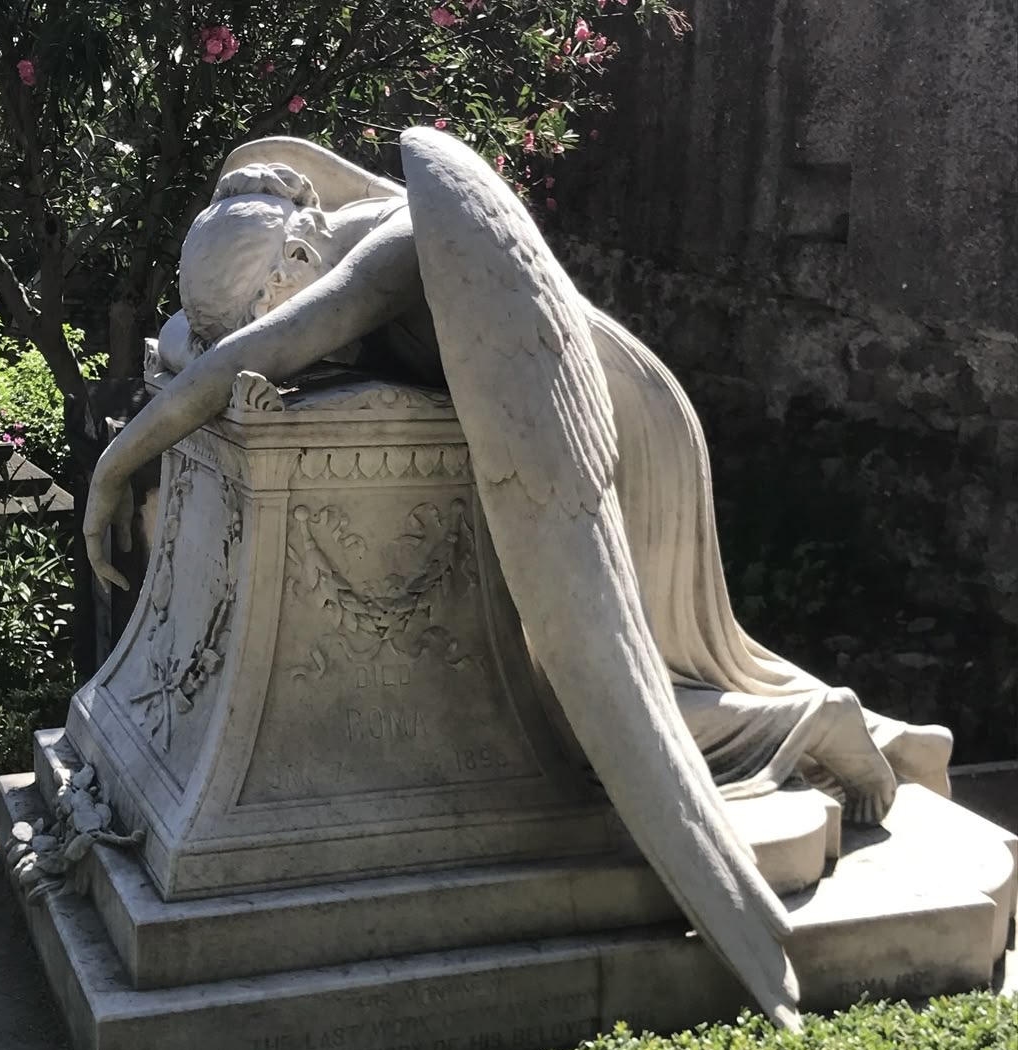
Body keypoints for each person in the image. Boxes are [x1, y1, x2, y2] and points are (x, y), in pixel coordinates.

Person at [86, 135, 951, 828]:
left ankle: (820, 724)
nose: (294, 337)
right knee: (653, 663)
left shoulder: (392, 251)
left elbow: (248, 355)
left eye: (276, 306)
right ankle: (894, 741)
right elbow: (202, 346)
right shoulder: (317, 241)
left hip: (591, 422)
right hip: (557, 410)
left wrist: (115, 465)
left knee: (580, 701)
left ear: (296, 260)